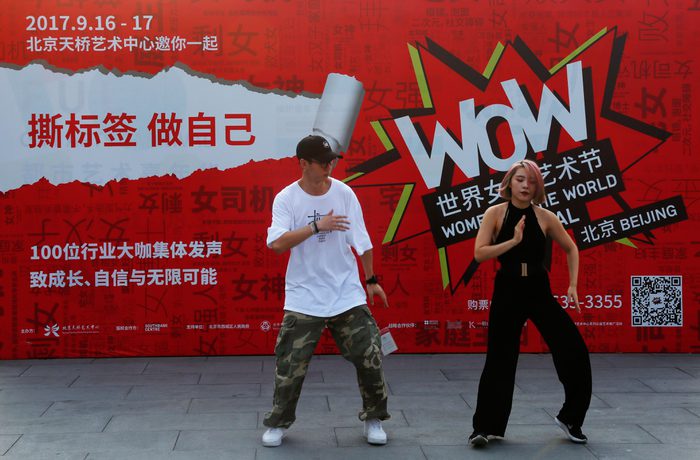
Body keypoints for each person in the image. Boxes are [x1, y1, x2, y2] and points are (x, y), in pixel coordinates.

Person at [261, 134, 391, 448]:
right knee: (290, 366)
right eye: (323, 162)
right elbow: (277, 244)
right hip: (304, 296)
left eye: (332, 160)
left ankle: (374, 418)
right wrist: (318, 226)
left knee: (370, 353)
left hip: (346, 293)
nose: (329, 166)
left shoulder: (344, 193)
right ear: (304, 164)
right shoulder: (287, 198)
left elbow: (362, 241)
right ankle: (278, 424)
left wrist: (371, 281)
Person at [468, 159, 592, 447]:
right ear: (510, 182)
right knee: (500, 359)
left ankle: (571, 418)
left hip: (538, 288)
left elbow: (571, 249)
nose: (526, 186)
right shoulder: (495, 213)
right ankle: (485, 427)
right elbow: (480, 254)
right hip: (508, 287)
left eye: (532, 181)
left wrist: (573, 284)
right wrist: (512, 241)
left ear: (538, 186)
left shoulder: (546, 216)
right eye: (521, 179)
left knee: (573, 350)